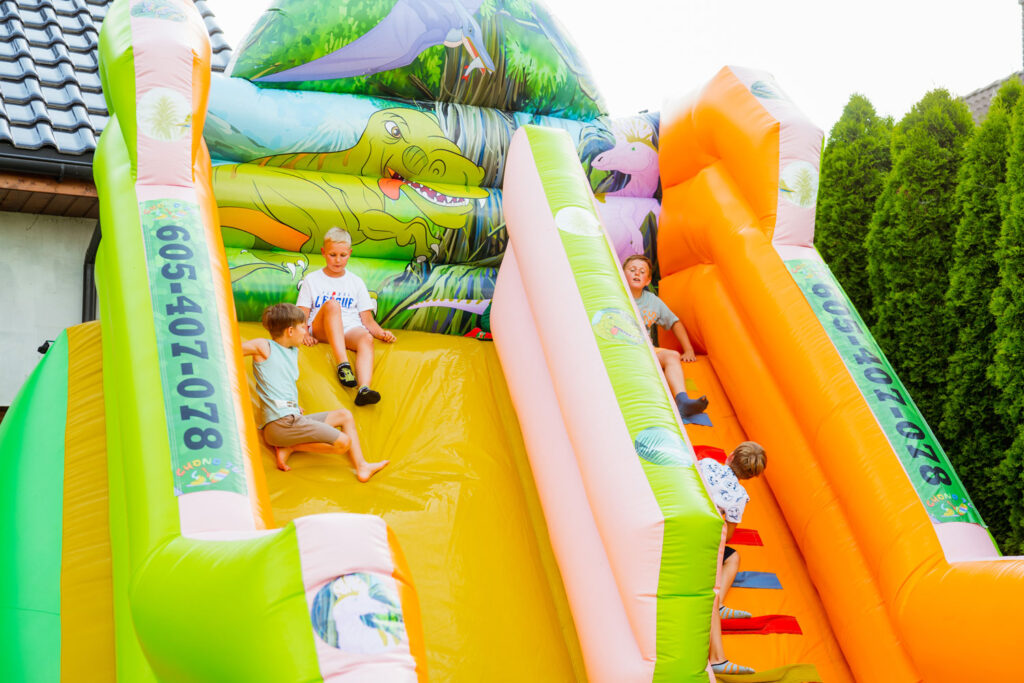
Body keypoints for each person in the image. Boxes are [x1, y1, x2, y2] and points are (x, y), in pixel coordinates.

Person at [242, 302, 388, 480]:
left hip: (292, 419)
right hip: (280, 425)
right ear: (290, 331)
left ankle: (362, 466)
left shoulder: (292, 351)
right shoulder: (264, 346)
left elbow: (278, 382)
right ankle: (292, 446)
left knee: (345, 415)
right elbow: (230, 349)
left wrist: (292, 405)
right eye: (303, 327)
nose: (305, 332)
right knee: (343, 443)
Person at [296, 227, 396, 405]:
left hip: (349, 329)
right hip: (322, 329)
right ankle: (343, 366)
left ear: (349, 253)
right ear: (323, 252)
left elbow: (367, 320)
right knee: (333, 305)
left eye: (342, 255)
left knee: (366, 338)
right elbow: (303, 312)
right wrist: (303, 332)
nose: (338, 260)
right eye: (332, 255)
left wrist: (381, 333)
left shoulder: (356, 282)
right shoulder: (312, 279)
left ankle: (364, 389)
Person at [700, 441, 768, 676]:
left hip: (683, 519)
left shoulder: (707, 464)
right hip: (702, 543)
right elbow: (726, 535)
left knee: (732, 556)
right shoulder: (739, 495)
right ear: (750, 476)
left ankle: (718, 605)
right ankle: (718, 658)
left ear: (730, 456)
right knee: (715, 584)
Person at [622, 255, 709, 422]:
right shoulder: (615, 296)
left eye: (642, 272)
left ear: (647, 281)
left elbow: (675, 322)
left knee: (672, 355)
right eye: (632, 270)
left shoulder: (652, 301)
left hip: (645, 350)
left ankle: (682, 401)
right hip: (623, 349)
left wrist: (688, 349)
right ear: (622, 274)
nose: (637, 273)